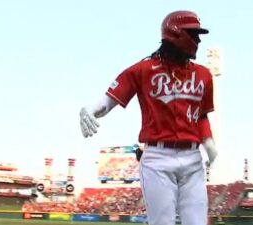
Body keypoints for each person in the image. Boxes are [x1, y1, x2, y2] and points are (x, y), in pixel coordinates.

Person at [79, 10, 217, 225]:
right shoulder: (143, 70)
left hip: (193, 158)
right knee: (162, 222)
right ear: (175, 34)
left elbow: (201, 117)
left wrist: (209, 143)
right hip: (157, 158)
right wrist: (90, 108)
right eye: (193, 34)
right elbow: (108, 101)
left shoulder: (204, 75)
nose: (198, 40)